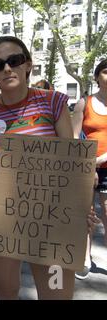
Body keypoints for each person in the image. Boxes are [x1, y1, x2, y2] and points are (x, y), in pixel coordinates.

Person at [0, 36, 98, 299]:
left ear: (28, 64)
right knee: (6, 293)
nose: (7, 68)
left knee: (56, 294)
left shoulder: (53, 102)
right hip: (4, 215)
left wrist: (80, 208)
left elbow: (71, 158)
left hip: (54, 216)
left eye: (14, 61)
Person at [71, 58, 107, 279]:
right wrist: (87, 163)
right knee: (86, 212)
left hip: (105, 165)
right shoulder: (84, 103)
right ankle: (84, 256)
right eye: (105, 72)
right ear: (96, 77)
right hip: (85, 167)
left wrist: (101, 159)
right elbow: (74, 136)